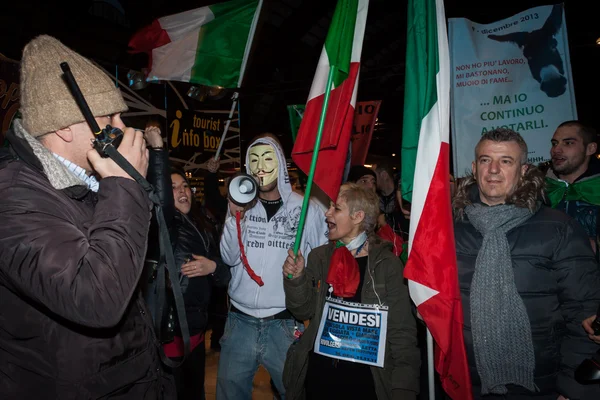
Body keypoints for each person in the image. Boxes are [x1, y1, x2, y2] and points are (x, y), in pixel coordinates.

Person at [0, 35, 173, 398]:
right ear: (64, 126)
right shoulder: (12, 195)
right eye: (110, 116)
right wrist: (123, 184)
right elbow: (96, 298)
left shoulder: (87, 181)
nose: (122, 127)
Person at [452, 127, 600, 400]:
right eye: (485, 160)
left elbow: (585, 316)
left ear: (523, 170)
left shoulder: (559, 229)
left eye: (506, 161)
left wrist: (572, 388)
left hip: (542, 386)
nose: (493, 170)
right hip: (465, 382)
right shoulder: (451, 230)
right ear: (474, 168)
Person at [281, 182, 420, 400]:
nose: (327, 214)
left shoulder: (386, 265)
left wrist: (403, 390)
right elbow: (301, 310)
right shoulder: (319, 257)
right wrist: (297, 279)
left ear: (357, 217)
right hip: (320, 380)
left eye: (335, 208)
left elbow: (402, 334)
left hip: (366, 383)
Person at [217, 133, 328, 399]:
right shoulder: (240, 204)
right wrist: (234, 219)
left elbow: (322, 260)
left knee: (294, 392)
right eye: (253, 161)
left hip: (285, 325)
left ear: (279, 162)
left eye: (267, 158)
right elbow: (229, 258)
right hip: (240, 322)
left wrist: (307, 285)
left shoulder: (306, 209)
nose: (260, 167)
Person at [145, 127, 230, 399]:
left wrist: (213, 267)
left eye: (185, 187)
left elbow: (224, 270)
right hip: (170, 331)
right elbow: (160, 200)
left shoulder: (202, 222)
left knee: (195, 393)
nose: (182, 192)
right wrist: (158, 152)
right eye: (173, 188)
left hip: (196, 331)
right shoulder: (163, 225)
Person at [544, 120, 599, 257]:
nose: (556, 150)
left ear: (590, 149)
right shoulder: (537, 189)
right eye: (554, 143)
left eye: (568, 143)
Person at [347, 165, 404, 257]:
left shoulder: (379, 217)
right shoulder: (343, 214)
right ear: (353, 185)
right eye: (364, 181)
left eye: (373, 182)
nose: (371, 186)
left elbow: (397, 249)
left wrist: (383, 225)